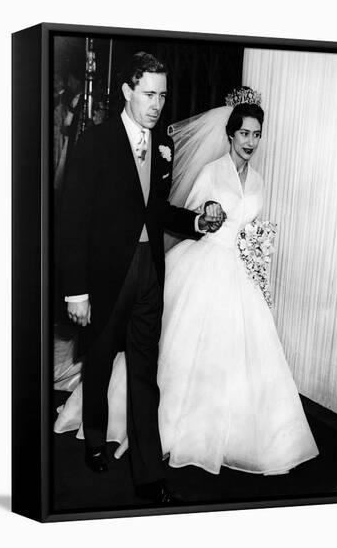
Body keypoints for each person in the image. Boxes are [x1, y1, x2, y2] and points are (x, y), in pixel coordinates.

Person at [57, 86, 319, 477]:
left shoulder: (260, 182)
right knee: (169, 355)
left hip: (238, 275)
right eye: (243, 133)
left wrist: (255, 254)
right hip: (202, 267)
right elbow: (178, 213)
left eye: (256, 134)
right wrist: (202, 218)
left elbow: (247, 230)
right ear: (230, 134)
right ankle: (142, 432)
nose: (250, 141)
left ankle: (225, 433)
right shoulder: (211, 173)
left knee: (234, 358)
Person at [60, 51, 225, 503]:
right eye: (149, 93)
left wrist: (195, 223)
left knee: (144, 375)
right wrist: (77, 291)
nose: (157, 104)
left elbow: (156, 210)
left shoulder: (162, 146)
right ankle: (95, 438)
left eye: (163, 95)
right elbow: (72, 219)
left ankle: (148, 473)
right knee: (96, 362)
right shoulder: (95, 142)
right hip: (105, 275)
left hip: (150, 274)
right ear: (128, 91)